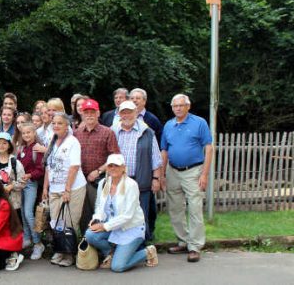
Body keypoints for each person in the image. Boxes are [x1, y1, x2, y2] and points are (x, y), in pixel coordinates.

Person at [161, 94, 213, 263]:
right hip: (172, 170)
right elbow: (164, 151)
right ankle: (183, 241)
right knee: (175, 208)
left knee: (195, 208)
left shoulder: (199, 123)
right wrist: (162, 174)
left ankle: (195, 246)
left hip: (193, 171)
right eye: (175, 106)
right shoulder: (168, 125)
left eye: (181, 105)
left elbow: (209, 148)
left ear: (188, 106)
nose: (178, 108)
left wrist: (204, 174)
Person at [85, 154, 159, 272]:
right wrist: (96, 219)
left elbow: (127, 216)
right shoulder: (103, 183)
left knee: (118, 267)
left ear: (123, 168)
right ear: (107, 168)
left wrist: (104, 226)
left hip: (130, 228)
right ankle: (112, 254)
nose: (113, 168)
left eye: (117, 166)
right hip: (113, 227)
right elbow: (99, 206)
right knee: (90, 234)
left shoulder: (131, 185)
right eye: (110, 166)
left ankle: (147, 252)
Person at [111, 101, 162, 242]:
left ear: (136, 113)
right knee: (119, 213)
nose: (126, 115)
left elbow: (156, 158)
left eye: (130, 112)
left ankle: (142, 246)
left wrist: (156, 179)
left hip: (141, 181)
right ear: (119, 115)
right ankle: (122, 244)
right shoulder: (113, 131)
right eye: (123, 112)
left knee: (141, 215)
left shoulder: (147, 132)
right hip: (119, 181)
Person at [42, 112, 86, 267]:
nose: (56, 126)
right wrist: (45, 187)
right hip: (54, 188)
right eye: (54, 123)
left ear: (67, 125)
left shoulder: (73, 142)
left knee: (69, 222)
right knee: (56, 221)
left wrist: (67, 189)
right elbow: (49, 166)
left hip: (73, 188)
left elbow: (74, 167)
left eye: (59, 123)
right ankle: (60, 250)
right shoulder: (52, 141)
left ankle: (69, 254)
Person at [73, 98, 120, 233]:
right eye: (86, 112)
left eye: (92, 112)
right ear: (82, 114)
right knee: (83, 215)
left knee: (101, 213)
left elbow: (115, 157)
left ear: (98, 113)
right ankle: (87, 246)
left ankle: (104, 245)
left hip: (100, 180)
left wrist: (98, 171)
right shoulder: (76, 134)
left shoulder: (107, 132)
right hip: (81, 180)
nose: (89, 115)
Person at [16, 123, 45, 260]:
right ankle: (27, 238)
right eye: (24, 133)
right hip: (20, 184)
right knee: (22, 212)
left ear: (34, 133)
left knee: (28, 213)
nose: (26, 135)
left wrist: (28, 175)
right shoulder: (22, 148)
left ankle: (38, 243)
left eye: (29, 132)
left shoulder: (36, 149)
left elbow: (40, 170)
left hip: (30, 184)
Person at [0, 132, 25, 214]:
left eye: (4, 143)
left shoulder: (16, 163)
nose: (1, 145)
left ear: (9, 145)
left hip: (12, 202)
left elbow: (23, 182)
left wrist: (12, 186)